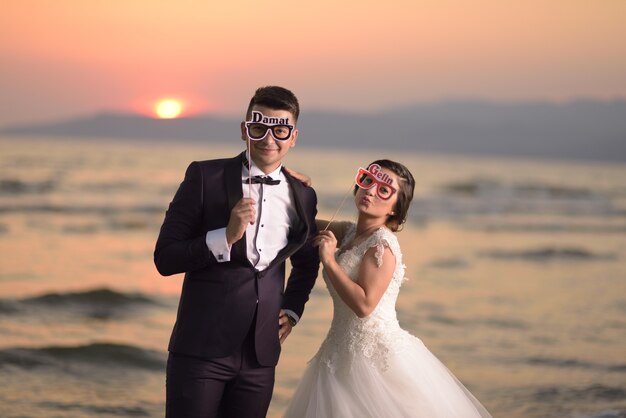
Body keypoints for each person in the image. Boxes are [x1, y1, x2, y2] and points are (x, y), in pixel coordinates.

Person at [154, 86, 320, 418]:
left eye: (280, 129)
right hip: (201, 349)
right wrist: (225, 237)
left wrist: (293, 309)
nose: (268, 138)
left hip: (261, 358)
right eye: (259, 127)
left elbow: (306, 258)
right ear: (245, 129)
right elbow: (166, 257)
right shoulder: (204, 176)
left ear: (294, 137)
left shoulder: (303, 194)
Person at [284, 160, 492, 417]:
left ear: (395, 208)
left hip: (372, 359)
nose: (371, 191)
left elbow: (364, 305)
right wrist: (300, 189)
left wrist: (328, 259)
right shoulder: (350, 232)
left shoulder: (382, 246)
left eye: (384, 190)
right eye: (368, 181)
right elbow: (300, 224)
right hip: (336, 352)